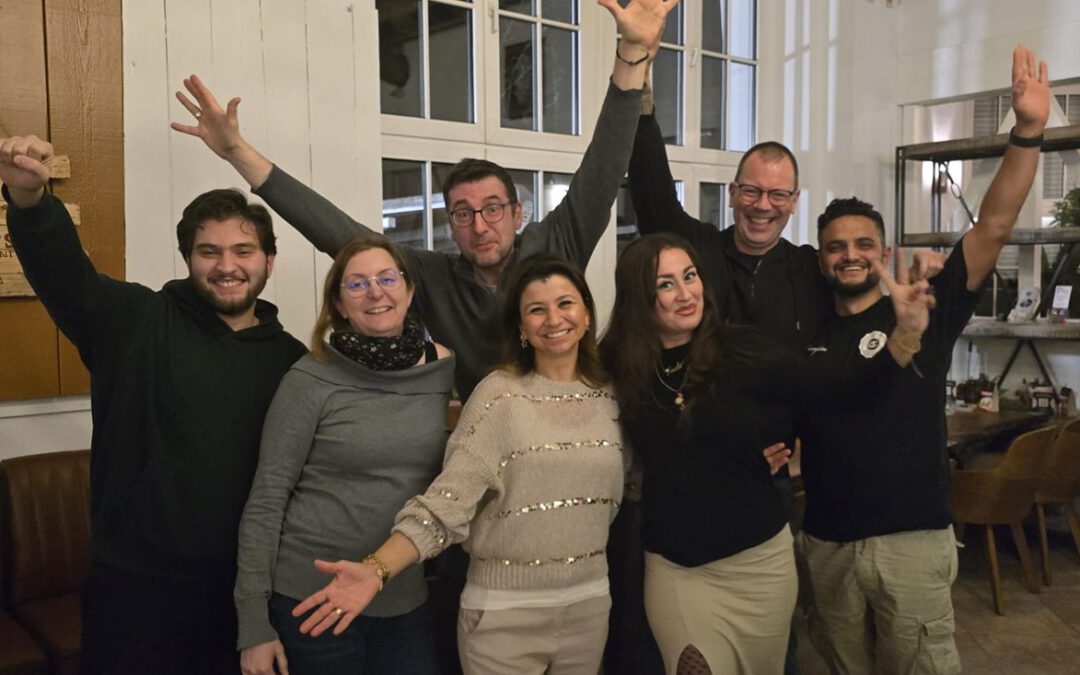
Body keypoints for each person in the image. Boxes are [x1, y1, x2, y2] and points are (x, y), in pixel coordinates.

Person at [171, 0, 679, 401]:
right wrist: (238, 152)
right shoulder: (429, 276)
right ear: (451, 225)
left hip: (573, 419)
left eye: (493, 209)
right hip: (484, 438)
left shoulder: (555, 244)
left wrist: (631, 55)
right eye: (463, 213)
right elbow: (333, 230)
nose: (480, 225)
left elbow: (605, 163)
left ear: (517, 213)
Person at [0, 136, 306, 674]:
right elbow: (62, 271)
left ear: (269, 261)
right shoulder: (134, 322)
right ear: (188, 257)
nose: (226, 266)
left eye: (243, 251)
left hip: (245, 592)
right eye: (208, 251)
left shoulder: (292, 362)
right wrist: (28, 200)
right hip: (134, 592)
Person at [795, 45, 1049, 675]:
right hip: (825, 541)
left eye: (862, 244)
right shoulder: (804, 325)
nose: (849, 255)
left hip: (911, 542)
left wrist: (1028, 131)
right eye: (834, 247)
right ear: (820, 258)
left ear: (884, 251)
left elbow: (993, 224)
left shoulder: (925, 306)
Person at [289, 255, 626, 675]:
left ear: (587, 314)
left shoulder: (611, 396)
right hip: (504, 617)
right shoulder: (499, 397)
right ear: (521, 327)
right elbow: (446, 504)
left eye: (565, 304)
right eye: (536, 309)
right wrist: (377, 570)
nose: (553, 319)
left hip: (589, 607)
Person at [235, 236, 454, 675]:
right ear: (338, 303)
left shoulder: (442, 367)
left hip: (402, 595)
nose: (376, 292)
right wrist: (254, 625)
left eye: (387, 278)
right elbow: (267, 499)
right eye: (357, 284)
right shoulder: (310, 378)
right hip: (313, 597)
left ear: (409, 292)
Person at [599, 232, 799, 675]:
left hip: (758, 562)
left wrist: (792, 442)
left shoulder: (741, 348)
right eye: (665, 284)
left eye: (689, 276)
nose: (685, 293)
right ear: (640, 297)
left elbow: (817, 387)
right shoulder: (616, 362)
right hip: (677, 566)